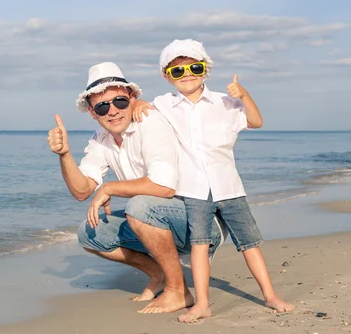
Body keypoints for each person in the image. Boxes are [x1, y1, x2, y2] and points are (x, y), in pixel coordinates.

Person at [133, 39, 295, 322]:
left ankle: (270, 294)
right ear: (166, 76)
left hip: (229, 185)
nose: (187, 75)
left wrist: (244, 95)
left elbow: (256, 122)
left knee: (249, 242)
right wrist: (138, 102)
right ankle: (203, 304)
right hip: (193, 189)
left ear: (205, 69)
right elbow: (144, 111)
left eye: (194, 67)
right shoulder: (164, 104)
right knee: (199, 243)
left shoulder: (225, 101)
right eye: (177, 71)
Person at [47, 61, 228, 314]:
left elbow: (163, 187)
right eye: (102, 106)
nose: (112, 111)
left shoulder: (149, 121)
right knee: (90, 232)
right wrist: (65, 154)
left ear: (132, 98)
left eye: (119, 101)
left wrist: (109, 188)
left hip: (204, 224)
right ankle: (158, 275)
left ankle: (178, 291)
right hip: (162, 220)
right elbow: (81, 191)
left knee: (139, 205)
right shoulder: (102, 140)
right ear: (91, 112)